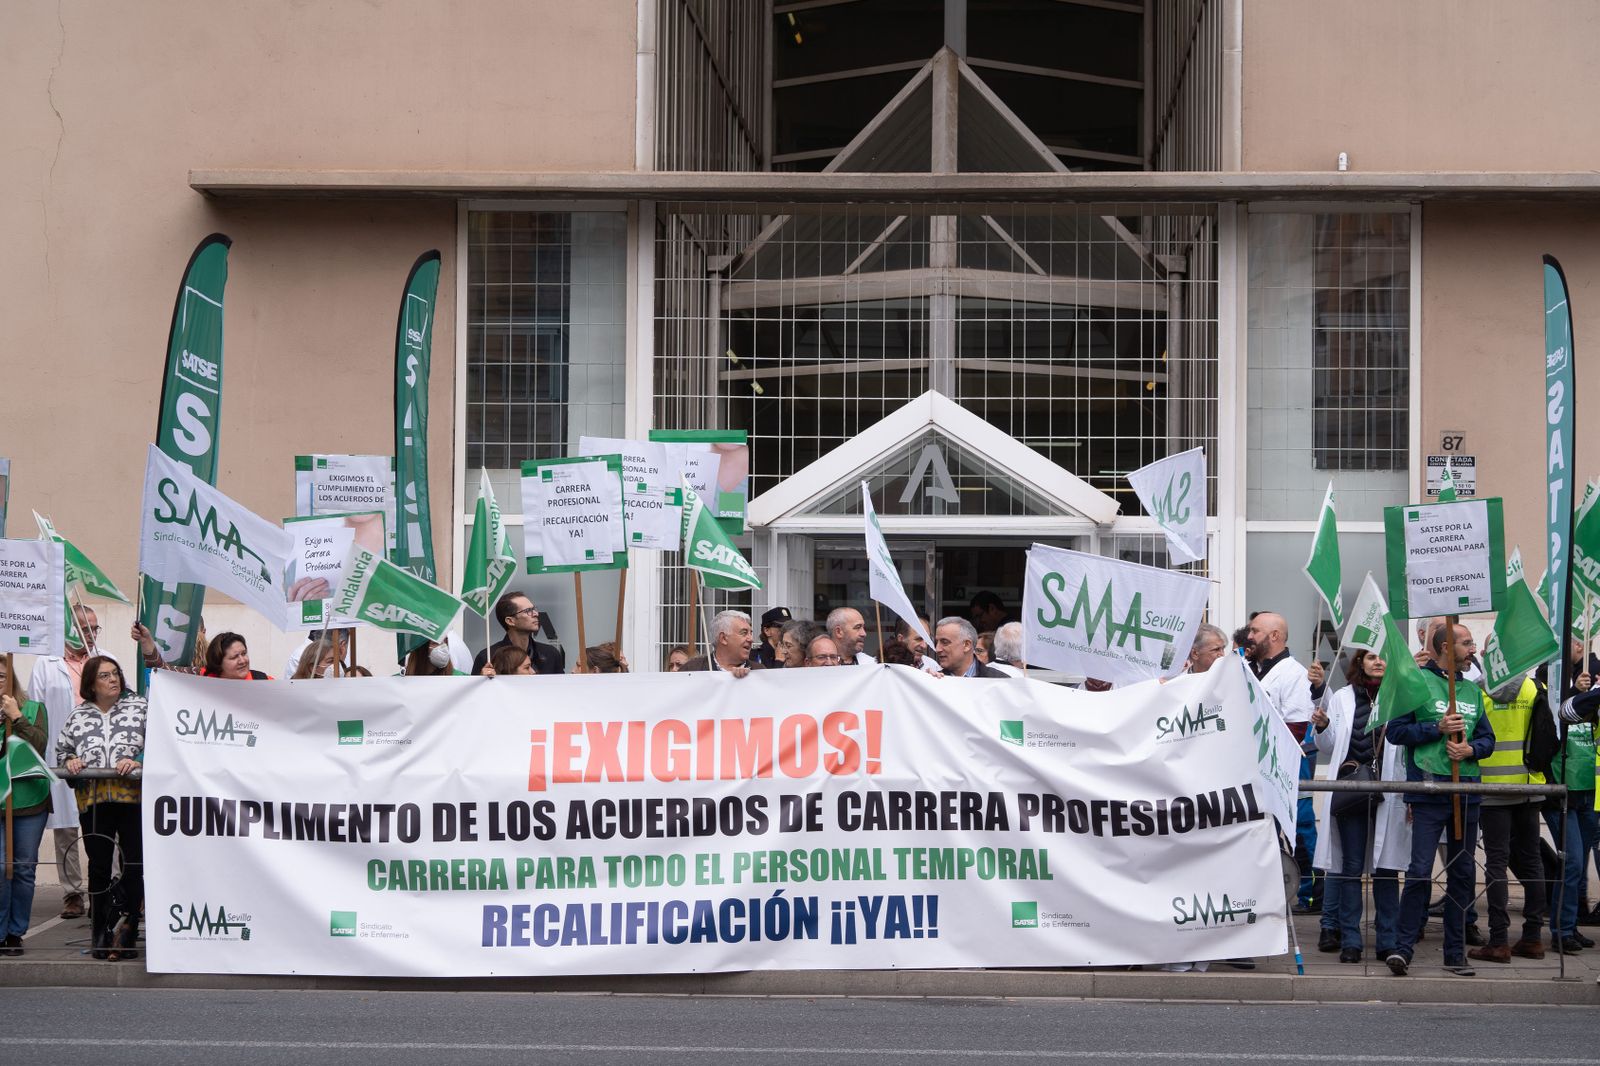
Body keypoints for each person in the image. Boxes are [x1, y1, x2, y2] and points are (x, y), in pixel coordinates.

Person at [1384, 622, 1498, 977]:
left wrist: (1470, 749)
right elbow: (1395, 732)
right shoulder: (1416, 682)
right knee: (1419, 872)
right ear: (1446, 646)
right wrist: (1436, 729)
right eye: (1467, 643)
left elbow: (1487, 741)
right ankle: (1403, 949)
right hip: (1429, 793)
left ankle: (1454, 954)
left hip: (1466, 793)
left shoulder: (1474, 691)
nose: (1473, 649)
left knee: (1463, 874)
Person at [56, 656, 146, 961]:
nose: (113, 679)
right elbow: (63, 751)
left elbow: (161, 743)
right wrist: (71, 763)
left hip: (132, 799)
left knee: (134, 864)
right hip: (93, 800)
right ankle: (100, 933)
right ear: (91, 684)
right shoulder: (76, 716)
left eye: (116, 673)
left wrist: (139, 761)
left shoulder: (140, 708)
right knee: (98, 866)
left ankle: (129, 929)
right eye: (105, 675)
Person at [1311, 650, 1399, 963]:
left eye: (1384, 657)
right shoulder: (1343, 698)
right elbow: (1330, 745)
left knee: (1386, 869)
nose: (1379, 662)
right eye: (1372, 656)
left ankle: (1387, 940)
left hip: (1389, 790)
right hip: (1352, 790)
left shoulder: (1398, 695)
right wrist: (1322, 727)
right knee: (1350, 868)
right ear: (1359, 662)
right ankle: (1351, 940)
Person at [25, 603, 109, 920]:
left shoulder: (104, 659)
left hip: (99, 754)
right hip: (61, 754)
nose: (90, 634)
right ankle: (72, 892)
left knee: (104, 822)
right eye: (85, 627)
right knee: (65, 827)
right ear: (69, 628)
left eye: (94, 628)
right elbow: (37, 713)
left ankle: (111, 885)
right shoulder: (46, 664)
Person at [1470, 669, 1551, 963]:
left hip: (1491, 787)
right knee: (1532, 862)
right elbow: (1546, 734)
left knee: (1496, 863)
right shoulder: (1535, 687)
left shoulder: (1477, 690)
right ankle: (1532, 939)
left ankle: (1499, 941)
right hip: (1528, 785)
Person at [1243, 612, 1317, 910]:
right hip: (1254, 766)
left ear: (1274, 636)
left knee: (1299, 827)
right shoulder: (1254, 669)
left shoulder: (1292, 673)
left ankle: (1312, 892)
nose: (1249, 636)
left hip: (1286, 763)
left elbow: (1298, 725)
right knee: (1262, 830)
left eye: (1255, 631)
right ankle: (1268, 890)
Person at [1540, 639, 1597, 955]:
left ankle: (1570, 925)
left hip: (1588, 790)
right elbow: (1565, 712)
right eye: (1573, 641)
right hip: (1560, 792)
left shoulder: (1590, 682)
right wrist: (1580, 691)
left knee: (1579, 863)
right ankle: (1561, 930)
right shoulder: (1549, 692)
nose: (1579, 643)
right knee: (1572, 862)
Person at [0, 656, 50, 955]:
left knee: (22, 867)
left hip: (29, 801)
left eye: (3, 675)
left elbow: (39, 745)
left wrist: (16, 717)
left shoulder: (33, 708)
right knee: (0, 867)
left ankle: (16, 932)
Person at [472, 590, 564, 676]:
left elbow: (562, 689)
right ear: (510, 621)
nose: (536, 614)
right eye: (528, 611)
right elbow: (477, 693)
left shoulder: (550, 654)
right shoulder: (488, 657)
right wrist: (483, 680)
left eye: (534, 609)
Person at [137, 626, 271, 680]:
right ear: (219, 662)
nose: (243, 660)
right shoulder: (201, 677)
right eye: (234, 657)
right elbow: (160, 671)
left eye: (244, 653)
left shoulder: (264, 680)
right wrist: (146, 641)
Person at [680, 611, 763, 676]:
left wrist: (747, 680)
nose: (751, 639)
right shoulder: (691, 670)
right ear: (723, 638)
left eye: (750, 633)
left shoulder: (759, 672)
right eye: (744, 633)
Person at [933, 617, 1008, 678]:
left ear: (966, 645)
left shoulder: (998, 681)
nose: (937, 649)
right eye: (937, 642)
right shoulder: (935, 680)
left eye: (945, 642)